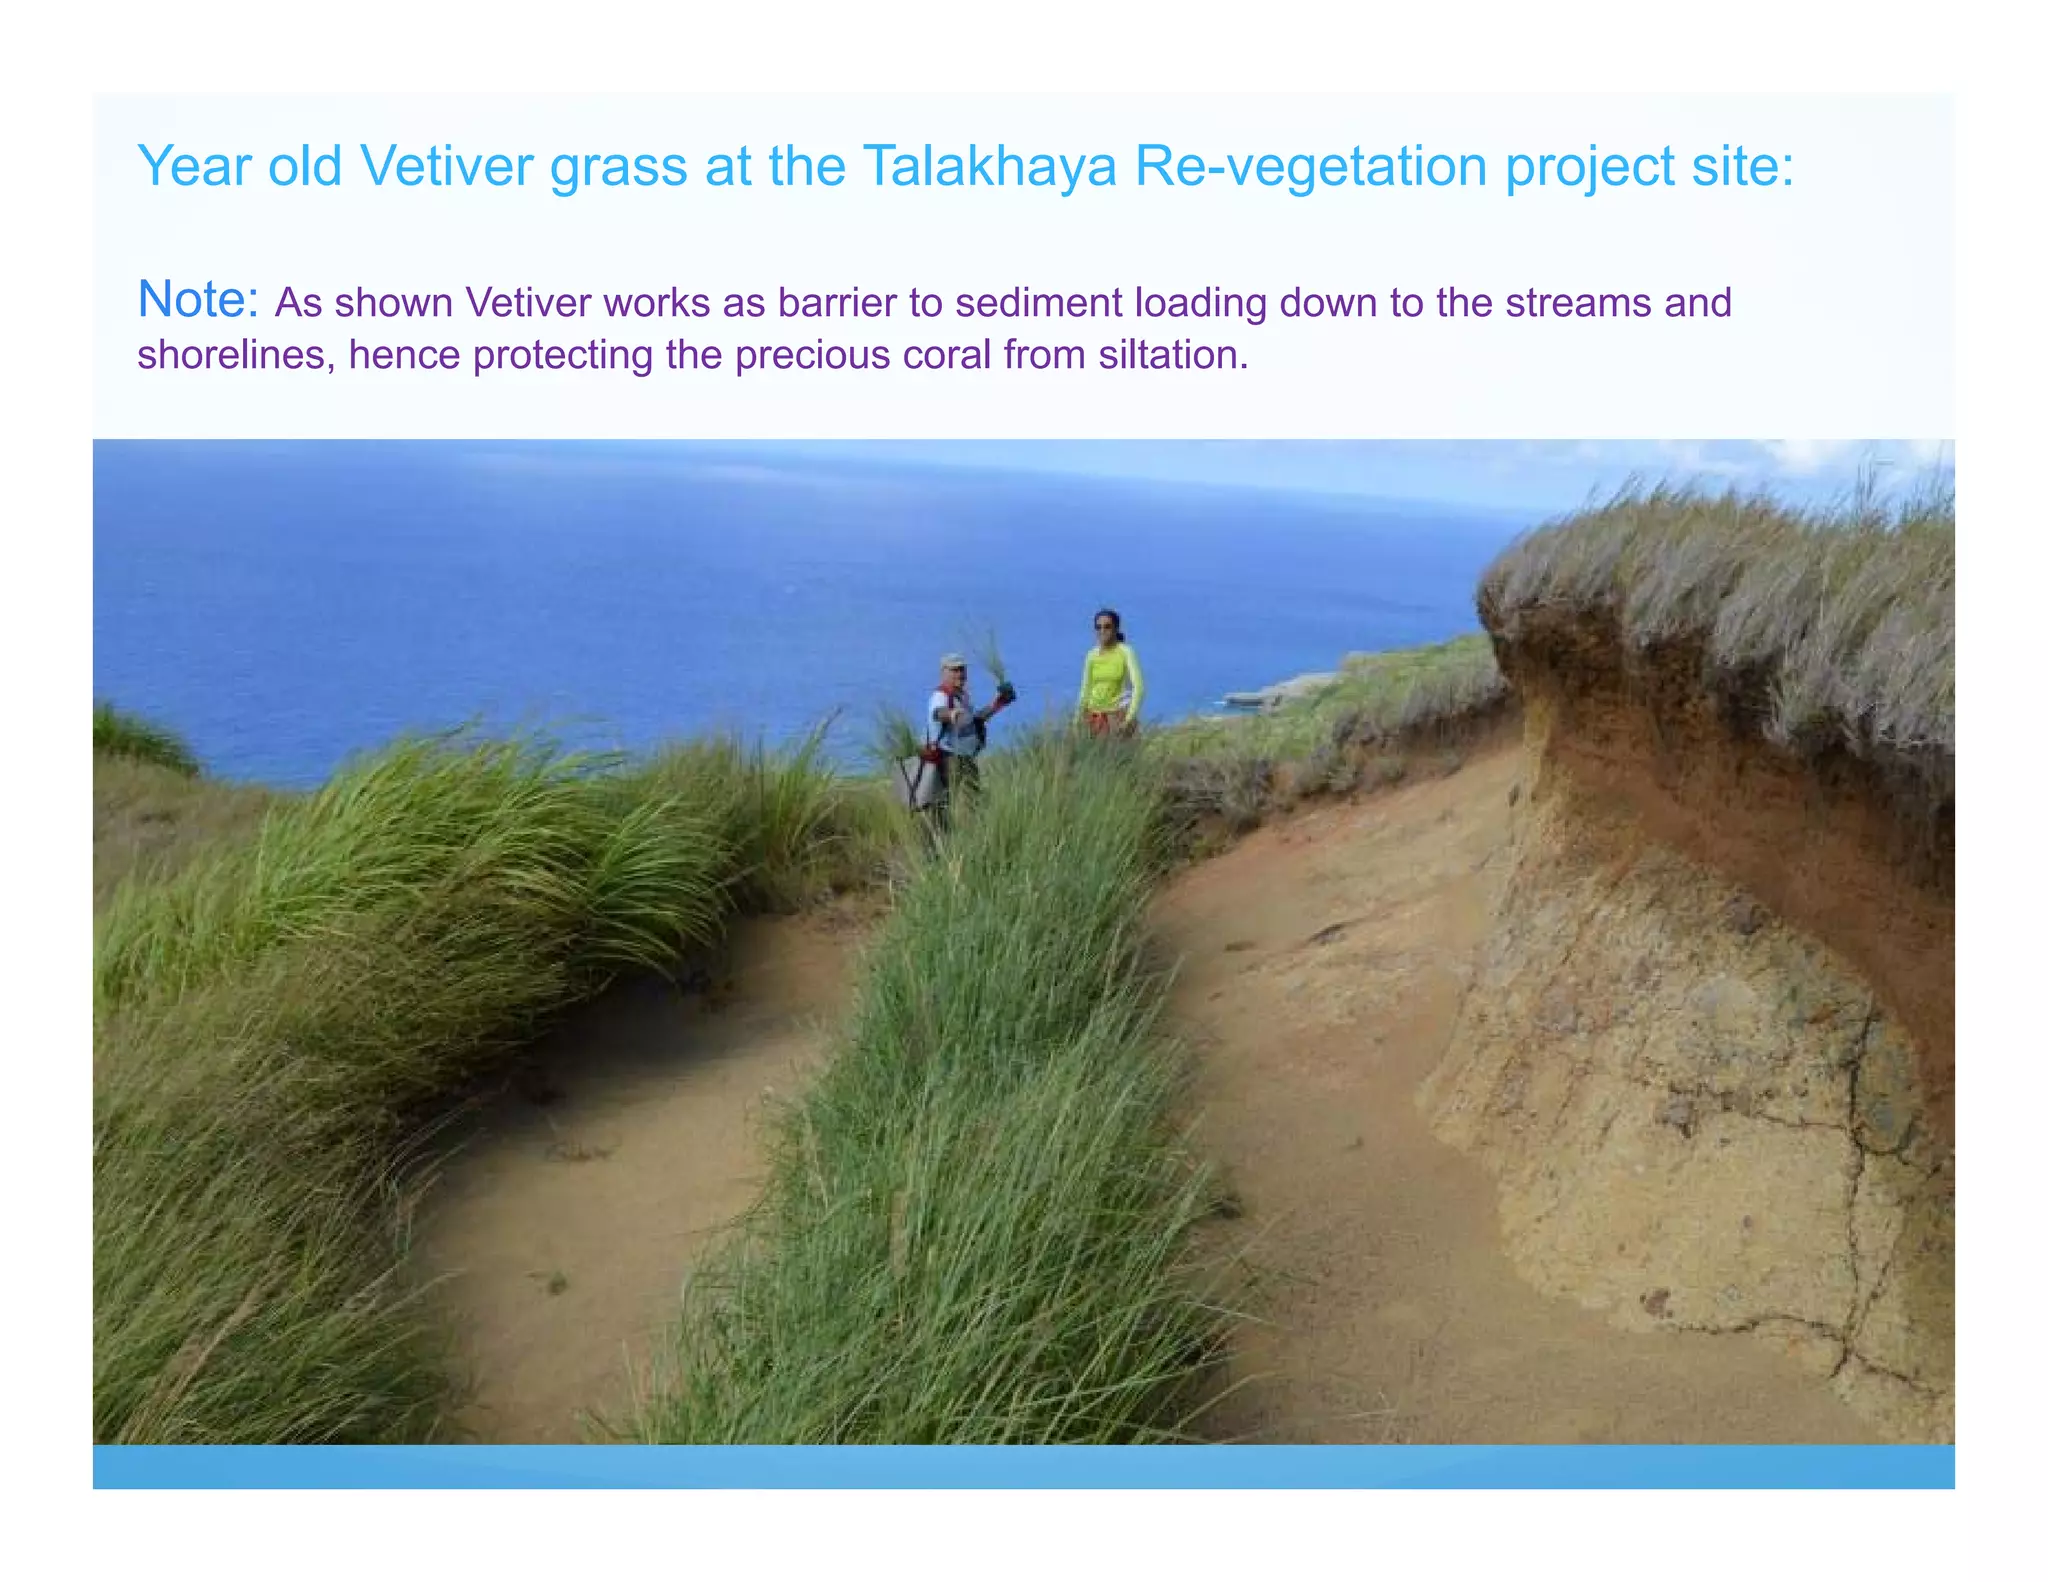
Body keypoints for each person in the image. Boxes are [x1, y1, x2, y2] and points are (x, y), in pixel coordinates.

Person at [924, 652, 1015, 817]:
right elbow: (938, 713)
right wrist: (952, 714)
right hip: (948, 758)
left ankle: (970, 835)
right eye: (954, 670)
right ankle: (941, 838)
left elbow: (975, 719)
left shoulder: (962, 696)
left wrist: (999, 702)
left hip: (965, 757)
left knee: (973, 802)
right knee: (944, 805)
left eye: (962, 669)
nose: (960, 674)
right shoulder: (941, 696)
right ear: (944, 672)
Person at [1076, 608, 1144, 737]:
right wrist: (1077, 719)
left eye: (1107, 627)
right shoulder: (1092, 655)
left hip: (1117, 717)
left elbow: (1139, 688)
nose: (1102, 631)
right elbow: (1085, 689)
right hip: (1094, 717)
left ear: (1116, 629)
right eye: (1098, 627)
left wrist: (1128, 719)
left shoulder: (1126, 652)